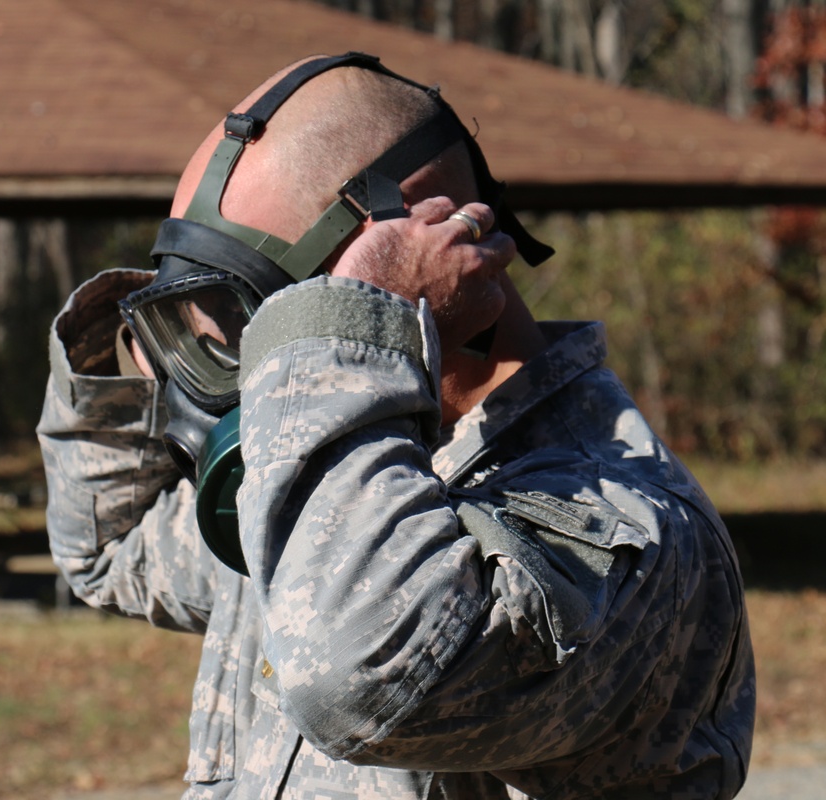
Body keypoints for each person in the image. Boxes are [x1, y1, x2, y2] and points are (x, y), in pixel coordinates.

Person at [37, 53, 754, 799]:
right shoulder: (339, 464)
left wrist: (350, 335)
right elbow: (109, 546)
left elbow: (360, 682)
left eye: (252, 316)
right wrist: (118, 340)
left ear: (414, 241)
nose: (258, 373)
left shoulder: (630, 531)